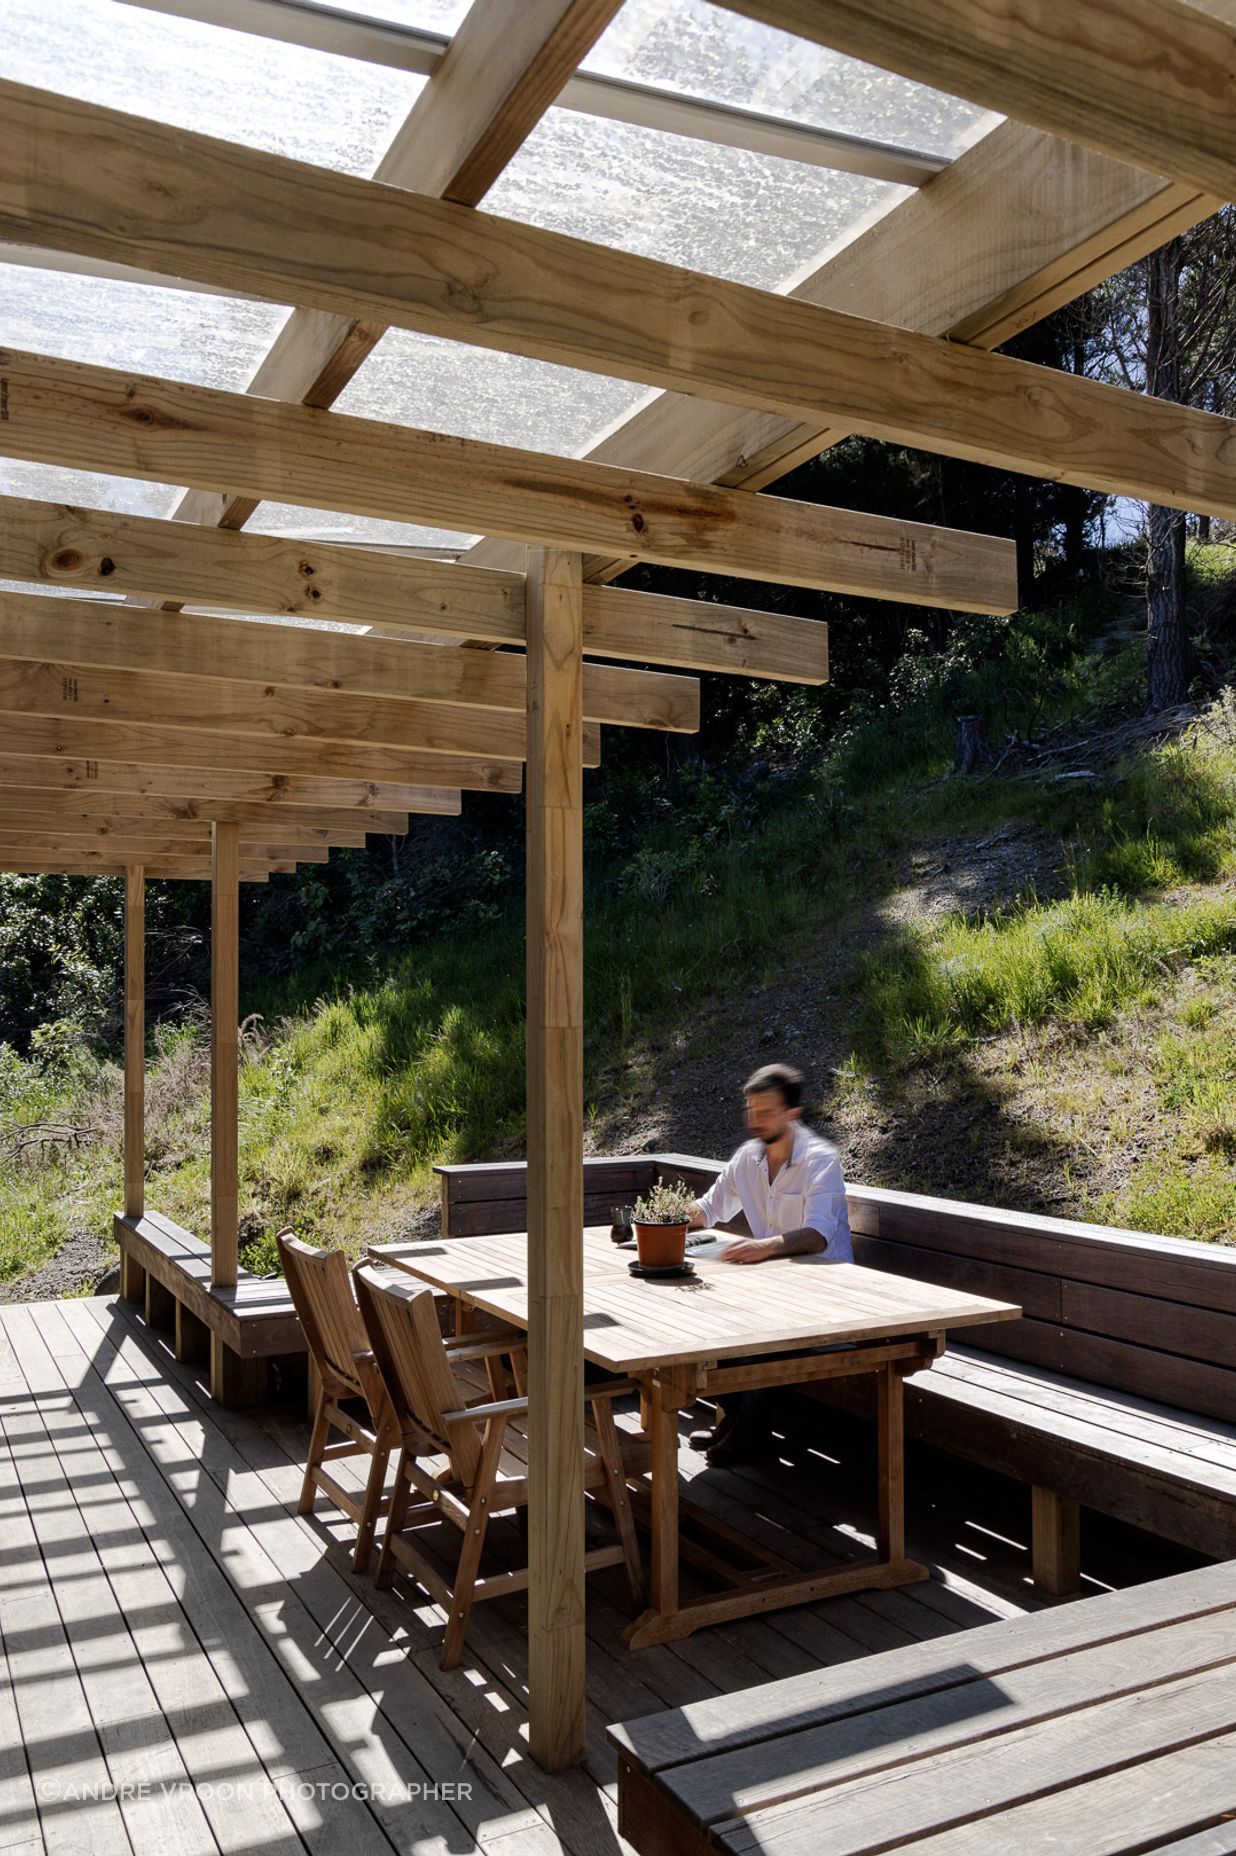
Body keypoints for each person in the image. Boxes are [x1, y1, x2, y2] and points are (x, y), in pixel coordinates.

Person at [686, 1062, 852, 1466]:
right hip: (773, 1290)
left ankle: (748, 1432)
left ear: (792, 1113)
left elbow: (817, 1235)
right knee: (695, 1315)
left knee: (759, 1334)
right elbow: (709, 1208)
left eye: (765, 1112)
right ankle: (739, 1421)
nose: (754, 1121)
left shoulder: (820, 1160)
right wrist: (674, 1216)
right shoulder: (748, 1158)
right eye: (750, 1111)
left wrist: (764, 1247)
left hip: (829, 1297)